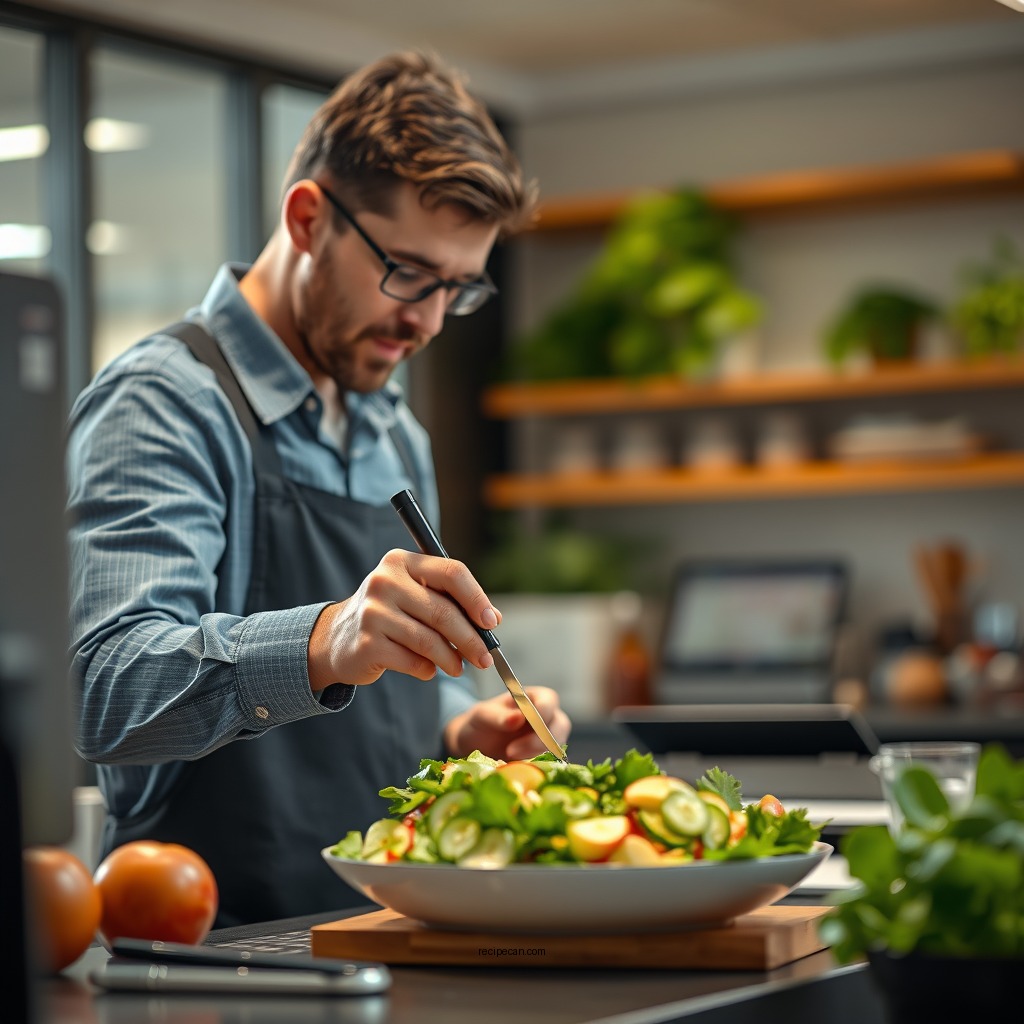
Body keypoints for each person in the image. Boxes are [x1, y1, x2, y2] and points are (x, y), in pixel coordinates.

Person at [67, 50, 571, 927]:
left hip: (385, 934)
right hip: (214, 953)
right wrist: (330, 636)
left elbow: (402, 683)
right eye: (408, 274)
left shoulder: (395, 435)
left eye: (457, 289)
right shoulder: (164, 404)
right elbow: (104, 689)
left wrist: (463, 725)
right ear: (308, 219)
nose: (424, 322)